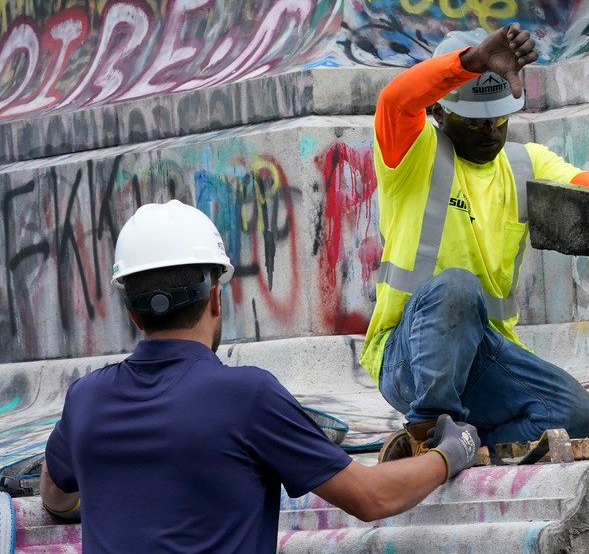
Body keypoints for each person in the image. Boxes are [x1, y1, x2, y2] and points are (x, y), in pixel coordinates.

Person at [39, 200, 481, 554]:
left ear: (132, 313)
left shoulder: (85, 400)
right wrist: (452, 452)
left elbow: (55, 498)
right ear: (215, 297)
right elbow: (371, 498)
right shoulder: (246, 397)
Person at [363, 23, 589, 459]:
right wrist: (470, 61)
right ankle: (428, 432)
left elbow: (587, 187)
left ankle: (460, 449)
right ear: (439, 113)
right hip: (409, 356)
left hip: (484, 354)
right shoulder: (413, 152)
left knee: (579, 416)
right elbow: (395, 99)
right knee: (458, 286)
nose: (490, 130)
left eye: (499, 119)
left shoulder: (524, 165)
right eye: (475, 122)